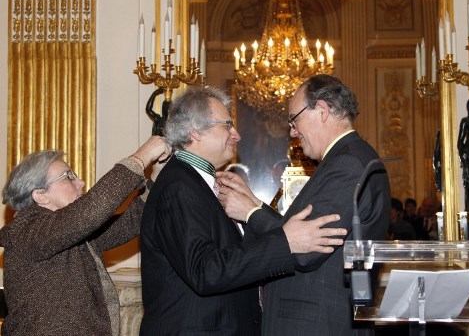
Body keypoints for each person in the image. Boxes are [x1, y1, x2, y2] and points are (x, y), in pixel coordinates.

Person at [139, 85, 346, 335]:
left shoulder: (199, 184)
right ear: (195, 132)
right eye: (227, 125)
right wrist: (285, 242)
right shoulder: (179, 187)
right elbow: (206, 271)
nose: (236, 134)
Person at [217, 74, 391, 335]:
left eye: (294, 120)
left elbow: (306, 249)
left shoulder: (348, 163)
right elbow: (298, 230)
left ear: (321, 110)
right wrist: (254, 202)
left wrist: (251, 213)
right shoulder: (343, 159)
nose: (292, 132)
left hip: (317, 322)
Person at [0, 136, 169, 335]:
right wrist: (141, 158)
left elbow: (131, 220)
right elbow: (92, 209)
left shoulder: (68, 233)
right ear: (40, 195)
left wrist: (156, 180)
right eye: (68, 177)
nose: (80, 182)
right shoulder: (26, 231)